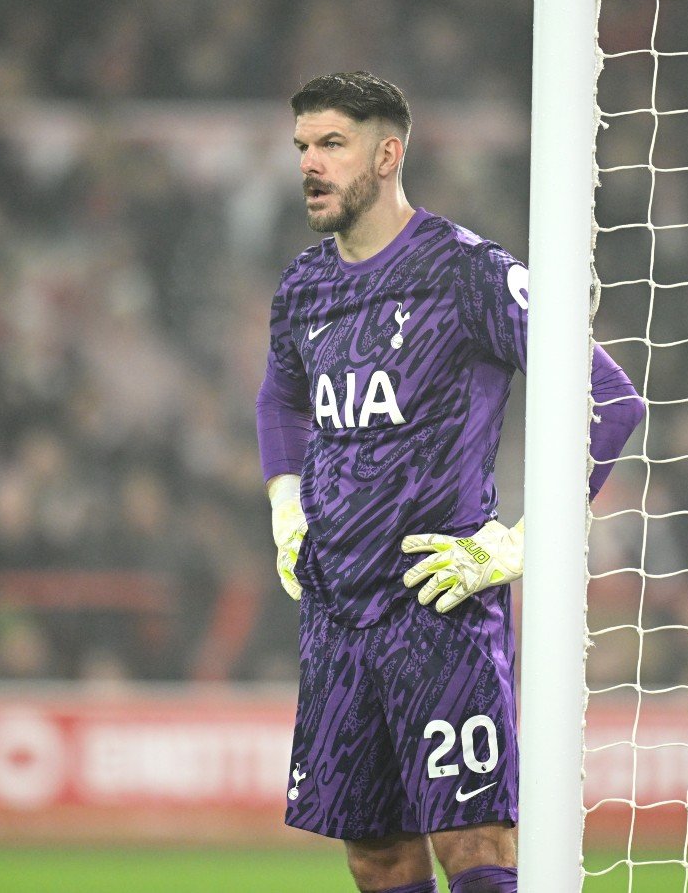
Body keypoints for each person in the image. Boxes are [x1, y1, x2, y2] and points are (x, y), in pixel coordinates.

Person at [255, 71, 644, 893]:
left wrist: (522, 542)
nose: (310, 164)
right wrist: (285, 502)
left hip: (440, 605)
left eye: (333, 144)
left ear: (388, 154)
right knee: (375, 854)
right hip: (337, 616)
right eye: (303, 146)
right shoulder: (304, 287)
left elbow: (610, 398)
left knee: (475, 841)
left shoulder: (467, 271)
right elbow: (281, 398)